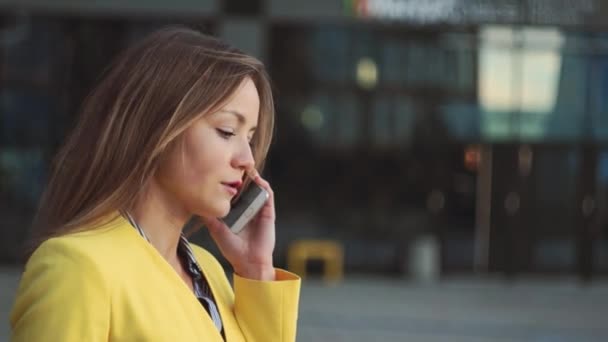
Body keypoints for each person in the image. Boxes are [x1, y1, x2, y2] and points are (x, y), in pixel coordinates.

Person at [10, 26, 300, 341]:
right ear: (158, 129)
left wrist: (256, 269)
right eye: (228, 131)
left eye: (251, 138)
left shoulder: (209, 271)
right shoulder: (79, 268)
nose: (247, 158)